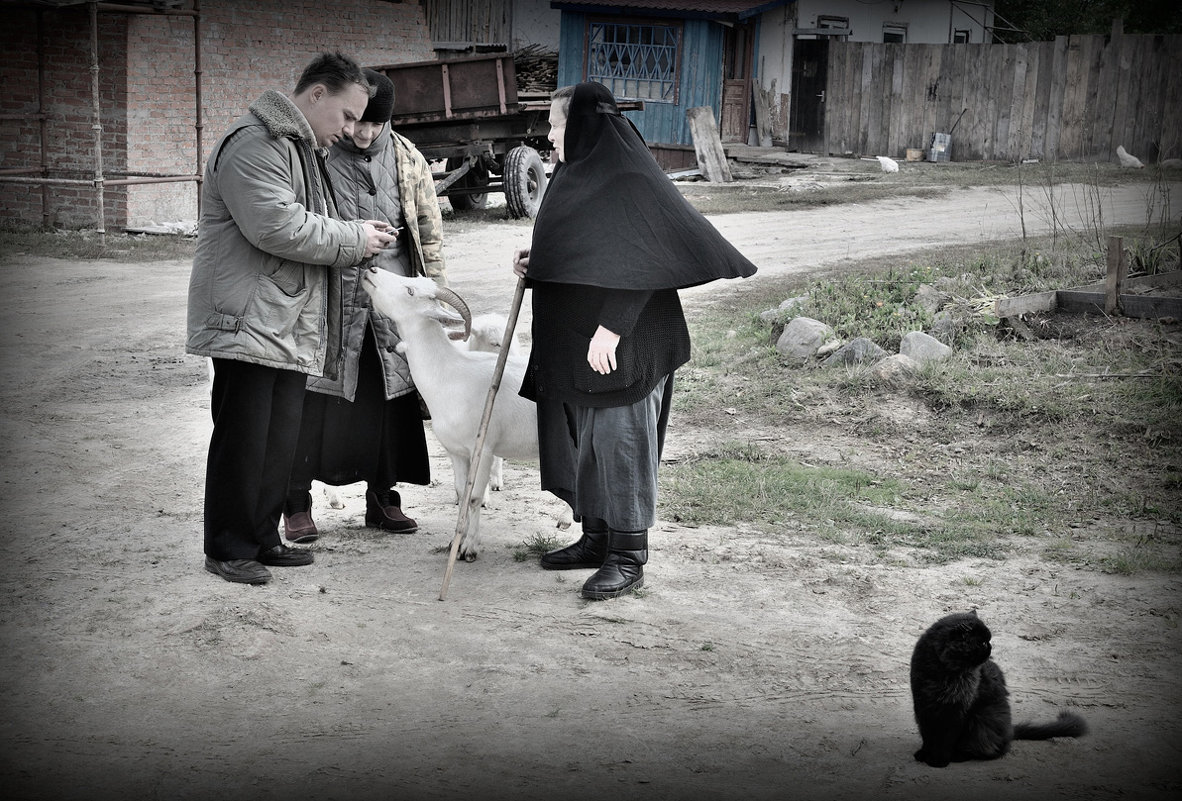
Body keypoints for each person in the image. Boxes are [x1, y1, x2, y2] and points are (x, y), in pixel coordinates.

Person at [512, 82, 757, 600]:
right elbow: (585, 248)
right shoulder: (573, 173)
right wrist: (540, 263)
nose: (549, 137)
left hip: (624, 342)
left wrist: (614, 327)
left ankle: (627, 552)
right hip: (579, 340)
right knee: (588, 445)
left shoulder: (626, 175)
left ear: (580, 125)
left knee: (621, 444)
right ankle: (596, 536)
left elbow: (648, 256)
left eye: (555, 126)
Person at [187, 53, 398, 585]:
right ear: (317, 96)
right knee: (244, 438)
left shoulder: (296, 146)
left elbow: (308, 219)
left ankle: (261, 538)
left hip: (280, 320)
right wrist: (355, 239)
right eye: (348, 116)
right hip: (247, 320)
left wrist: (354, 227)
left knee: (277, 438)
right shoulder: (254, 143)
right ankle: (228, 547)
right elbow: (277, 227)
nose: (351, 129)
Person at [282, 68, 447, 542]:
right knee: (315, 400)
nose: (363, 132)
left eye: (376, 124)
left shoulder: (408, 158)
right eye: (358, 122)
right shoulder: (317, 153)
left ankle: (383, 498)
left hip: (389, 304)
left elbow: (430, 235)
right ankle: (295, 502)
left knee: (386, 401)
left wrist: (434, 298)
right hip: (329, 301)